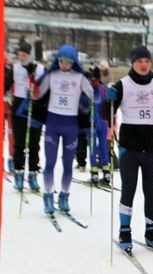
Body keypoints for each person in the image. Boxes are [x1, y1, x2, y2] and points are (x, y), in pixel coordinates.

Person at [104, 45, 153, 252]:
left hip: (152, 148)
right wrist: (108, 99)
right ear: (133, 63)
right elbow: (106, 113)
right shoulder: (123, 84)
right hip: (129, 148)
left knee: (150, 191)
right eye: (139, 61)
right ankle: (124, 231)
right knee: (128, 190)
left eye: (147, 61)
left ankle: (151, 231)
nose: (143, 65)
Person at [35, 44, 94, 213]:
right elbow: (37, 94)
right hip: (53, 122)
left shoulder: (79, 77)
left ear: (74, 61)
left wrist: (96, 83)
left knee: (68, 164)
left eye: (68, 61)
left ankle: (64, 196)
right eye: (61, 60)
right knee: (50, 163)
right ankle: (47, 195)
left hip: (71, 125)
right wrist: (33, 84)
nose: (64, 64)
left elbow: (93, 95)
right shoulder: (51, 75)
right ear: (57, 60)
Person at [6, 40, 45, 192]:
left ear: (30, 55)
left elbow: (46, 88)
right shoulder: (14, 68)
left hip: (35, 106)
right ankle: (19, 174)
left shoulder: (40, 68)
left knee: (34, 143)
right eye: (20, 55)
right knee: (20, 143)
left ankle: (33, 174)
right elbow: (6, 85)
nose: (21, 58)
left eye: (24, 55)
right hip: (19, 106)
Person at [86, 67, 110, 186]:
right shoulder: (104, 87)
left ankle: (95, 173)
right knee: (102, 146)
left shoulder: (92, 88)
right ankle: (106, 172)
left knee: (93, 147)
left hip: (93, 122)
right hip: (102, 121)